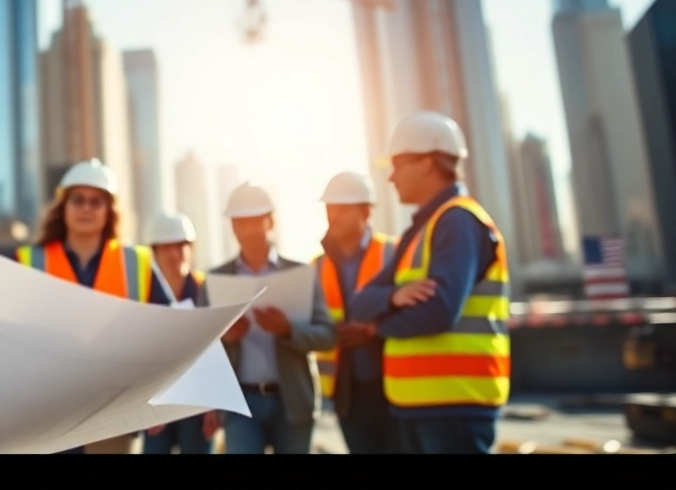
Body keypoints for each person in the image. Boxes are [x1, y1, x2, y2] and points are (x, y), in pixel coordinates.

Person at [348, 111, 512, 455]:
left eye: (398, 164)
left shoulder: (458, 221)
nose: (391, 177)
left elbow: (438, 312)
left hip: (455, 404)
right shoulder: (422, 229)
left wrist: (376, 327)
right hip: (419, 404)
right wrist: (395, 296)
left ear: (425, 163)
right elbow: (360, 301)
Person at [15, 158, 174, 453]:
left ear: (108, 210)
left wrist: (158, 397)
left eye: (95, 201)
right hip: (46, 412)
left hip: (114, 411)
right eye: (78, 200)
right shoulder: (29, 261)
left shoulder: (136, 263)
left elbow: (172, 330)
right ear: (64, 207)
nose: (86, 208)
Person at [210, 182, 336, 454]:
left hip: (292, 403)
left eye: (256, 220)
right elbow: (197, 348)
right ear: (232, 227)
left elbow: (328, 335)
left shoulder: (301, 274)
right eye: (242, 222)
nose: (250, 229)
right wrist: (224, 337)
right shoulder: (216, 281)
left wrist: (288, 329)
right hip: (239, 404)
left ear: (271, 222)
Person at [312, 171, 400, 453]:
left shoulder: (394, 252)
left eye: (342, 208)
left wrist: (373, 333)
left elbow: (413, 306)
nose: (333, 216)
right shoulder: (315, 267)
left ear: (366, 211)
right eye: (329, 208)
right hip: (347, 391)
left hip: (394, 384)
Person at [140, 212, 219, 454]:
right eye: (167, 247)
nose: (176, 254)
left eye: (182, 245)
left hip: (197, 403)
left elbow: (216, 355)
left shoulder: (207, 290)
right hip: (155, 402)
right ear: (154, 251)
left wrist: (213, 406)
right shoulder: (142, 294)